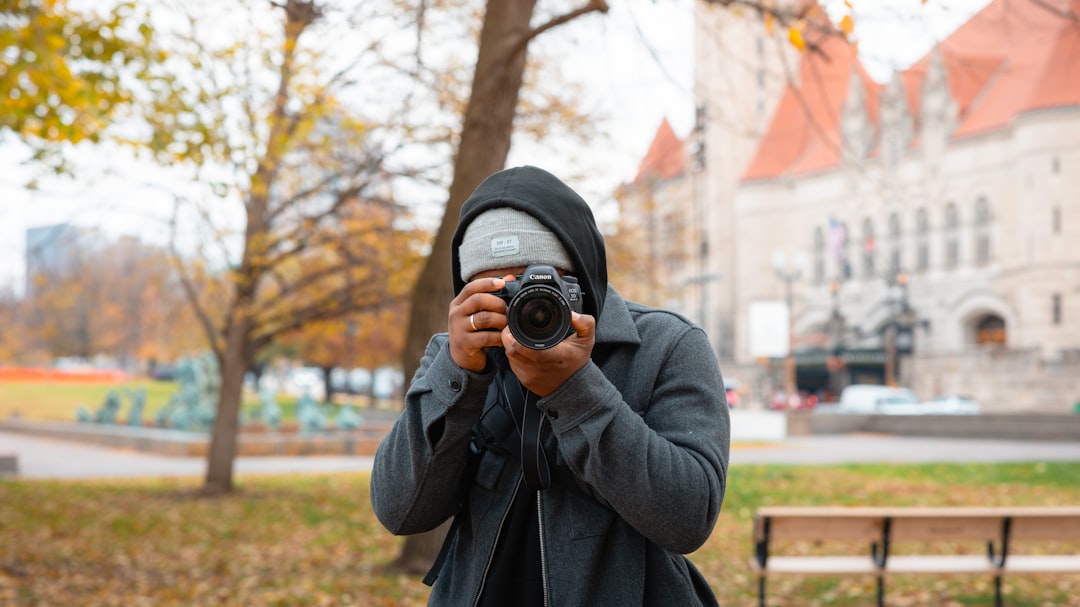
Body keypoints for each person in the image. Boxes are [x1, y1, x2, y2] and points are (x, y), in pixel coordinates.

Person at [371, 165, 730, 606]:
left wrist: (574, 389)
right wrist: (459, 375)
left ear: (583, 275)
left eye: (538, 282)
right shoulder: (456, 355)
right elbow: (399, 510)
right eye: (499, 291)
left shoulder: (667, 346)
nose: (525, 305)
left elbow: (687, 519)